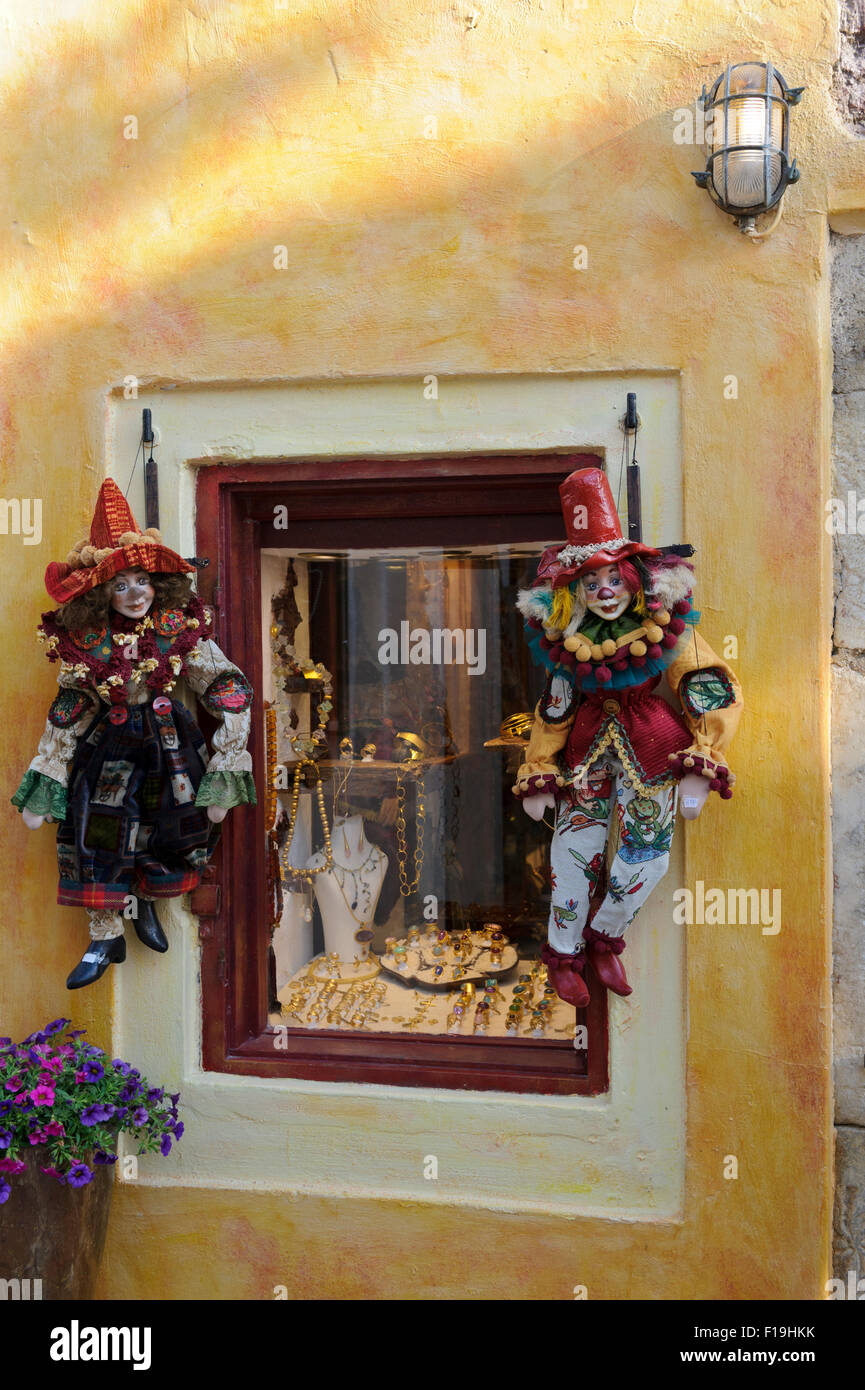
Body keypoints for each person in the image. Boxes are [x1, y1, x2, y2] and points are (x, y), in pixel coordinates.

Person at [11, 479, 256, 989]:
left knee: (172, 822)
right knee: (99, 831)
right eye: (119, 586)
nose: (134, 594)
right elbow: (72, 705)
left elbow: (224, 682)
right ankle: (104, 936)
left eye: (140, 580)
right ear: (101, 594)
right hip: (112, 748)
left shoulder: (176, 628)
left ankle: (144, 900)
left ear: (157, 583)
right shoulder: (87, 644)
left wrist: (230, 755)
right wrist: (49, 770)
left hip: (170, 744)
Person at [513, 467, 743, 1006]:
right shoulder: (568, 642)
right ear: (574, 593)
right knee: (572, 850)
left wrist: (703, 759)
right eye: (591, 584)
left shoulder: (666, 627)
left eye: (614, 580)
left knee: (647, 855)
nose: (605, 592)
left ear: (636, 580)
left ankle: (603, 937)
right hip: (584, 755)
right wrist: (541, 765)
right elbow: (556, 706)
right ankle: (562, 953)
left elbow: (705, 682)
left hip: (655, 750)